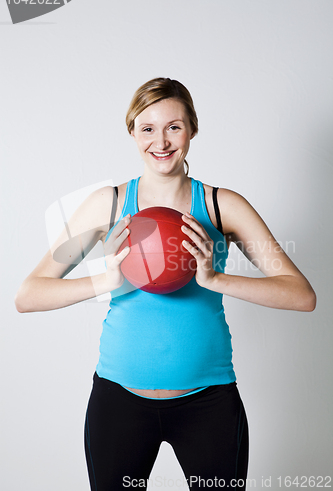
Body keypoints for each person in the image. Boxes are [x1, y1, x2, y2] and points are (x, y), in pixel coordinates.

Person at [15, 78, 316, 490]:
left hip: (208, 402)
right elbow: (29, 294)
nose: (162, 141)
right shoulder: (110, 204)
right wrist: (106, 281)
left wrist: (215, 278)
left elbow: (301, 295)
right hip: (118, 402)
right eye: (148, 128)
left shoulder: (221, 205)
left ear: (192, 128)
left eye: (174, 126)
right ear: (132, 132)